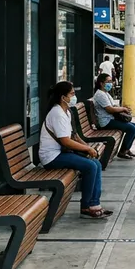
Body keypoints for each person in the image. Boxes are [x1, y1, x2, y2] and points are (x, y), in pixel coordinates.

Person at [40, 81, 111, 219]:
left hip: (61, 153)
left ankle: (94, 204)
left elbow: (74, 136)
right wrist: (87, 149)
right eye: (72, 94)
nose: (74, 96)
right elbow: (65, 141)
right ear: (63, 97)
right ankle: (86, 207)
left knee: (95, 164)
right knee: (90, 166)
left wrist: (88, 147)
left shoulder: (65, 112)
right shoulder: (57, 114)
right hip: (52, 157)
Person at [93, 73, 135, 159]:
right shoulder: (100, 94)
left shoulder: (105, 93)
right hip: (105, 122)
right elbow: (110, 109)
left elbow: (113, 106)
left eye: (111, 81)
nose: (111, 83)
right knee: (131, 129)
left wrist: (121, 108)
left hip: (110, 119)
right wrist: (123, 109)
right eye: (108, 81)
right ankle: (122, 152)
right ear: (101, 83)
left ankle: (126, 149)